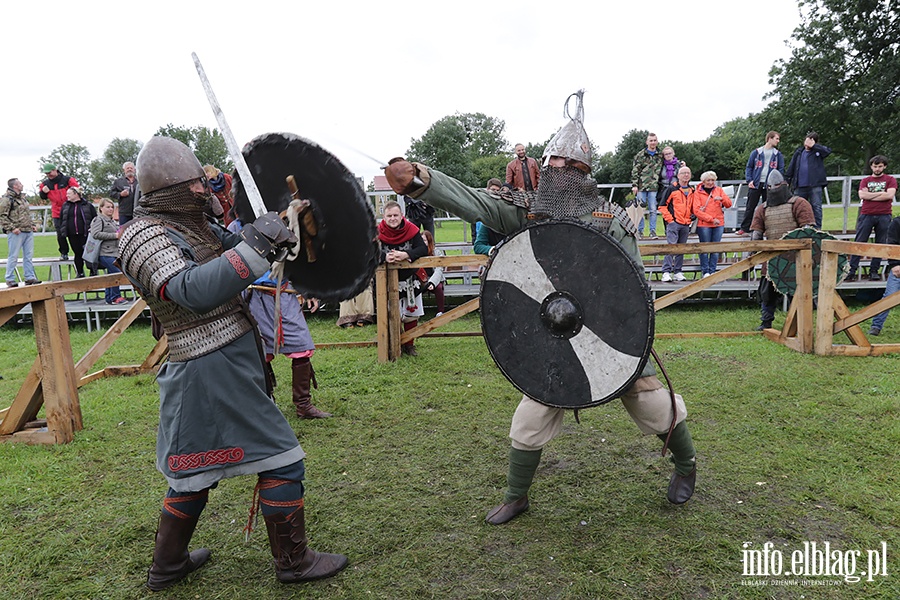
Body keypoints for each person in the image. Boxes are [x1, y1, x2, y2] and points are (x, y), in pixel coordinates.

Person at [384, 91, 697, 525]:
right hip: (553, 334)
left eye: (563, 165)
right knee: (531, 416)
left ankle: (686, 466)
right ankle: (517, 495)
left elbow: (633, 292)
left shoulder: (612, 223)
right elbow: (477, 202)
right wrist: (422, 178)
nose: (554, 169)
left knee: (653, 407)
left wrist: (626, 344)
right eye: (551, 162)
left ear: (582, 172)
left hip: (608, 337)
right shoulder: (532, 212)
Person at [118, 136, 346, 590]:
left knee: (191, 472)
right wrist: (254, 247)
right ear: (168, 190)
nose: (205, 190)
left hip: (223, 360)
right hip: (206, 364)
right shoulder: (143, 235)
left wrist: (286, 226)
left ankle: (167, 567)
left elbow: (247, 247)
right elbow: (192, 290)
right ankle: (293, 563)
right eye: (196, 184)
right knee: (281, 459)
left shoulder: (193, 226)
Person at [749, 170, 816, 330]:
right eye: (771, 187)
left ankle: (800, 324)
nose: (774, 189)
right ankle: (766, 322)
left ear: (784, 186)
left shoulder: (799, 203)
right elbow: (757, 233)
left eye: (777, 186)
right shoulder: (762, 209)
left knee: (798, 292)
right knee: (767, 293)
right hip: (772, 257)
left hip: (796, 257)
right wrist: (753, 252)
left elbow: (808, 230)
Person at [378, 200, 428, 356]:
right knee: (391, 314)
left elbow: (423, 248)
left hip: (409, 280)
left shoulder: (411, 230)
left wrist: (407, 254)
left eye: (395, 215)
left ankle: (409, 345)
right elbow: (368, 252)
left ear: (402, 216)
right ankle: (393, 344)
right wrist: (384, 257)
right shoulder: (376, 232)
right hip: (385, 282)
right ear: (384, 217)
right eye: (389, 216)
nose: (393, 218)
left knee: (411, 313)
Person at [847, 155, 897, 281]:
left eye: (880, 166)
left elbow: (889, 195)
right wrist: (881, 193)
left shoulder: (890, 179)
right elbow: (862, 195)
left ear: (884, 166)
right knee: (859, 242)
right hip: (866, 214)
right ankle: (851, 270)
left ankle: (874, 271)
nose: (877, 169)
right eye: (875, 166)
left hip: (884, 214)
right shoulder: (865, 180)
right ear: (871, 167)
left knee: (880, 244)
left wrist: (870, 195)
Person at [739, 131, 783, 236]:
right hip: (756, 183)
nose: (778, 141)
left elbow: (780, 169)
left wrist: (777, 182)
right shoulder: (756, 152)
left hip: (770, 185)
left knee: (769, 207)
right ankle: (745, 228)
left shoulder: (778, 155)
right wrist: (749, 180)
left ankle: (766, 229)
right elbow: (749, 167)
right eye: (776, 138)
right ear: (770, 138)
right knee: (750, 206)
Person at [785, 131, 831, 229]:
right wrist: (787, 181)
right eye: (808, 139)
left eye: (812, 140)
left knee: (816, 207)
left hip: (815, 185)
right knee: (797, 207)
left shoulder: (818, 152)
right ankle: (798, 228)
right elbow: (791, 167)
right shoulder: (799, 152)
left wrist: (815, 146)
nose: (809, 142)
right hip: (799, 186)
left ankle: (817, 229)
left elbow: (827, 152)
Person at [692, 171, 732, 278]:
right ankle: (705, 271)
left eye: (712, 180)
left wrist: (722, 199)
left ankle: (712, 270)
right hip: (704, 224)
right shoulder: (697, 193)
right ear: (703, 181)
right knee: (704, 248)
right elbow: (696, 210)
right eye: (708, 180)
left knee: (715, 248)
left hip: (719, 224)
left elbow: (729, 204)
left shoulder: (719, 190)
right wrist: (711, 219)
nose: (710, 182)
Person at [1, 178, 40, 286]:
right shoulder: (7, 199)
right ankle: (9, 278)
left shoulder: (23, 198)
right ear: (15, 186)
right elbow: (2, 216)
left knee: (28, 255)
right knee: (13, 256)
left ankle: (29, 276)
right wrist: (12, 228)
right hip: (16, 232)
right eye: (20, 183)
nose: (22, 185)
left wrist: (32, 225)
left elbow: (26, 214)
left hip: (27, 230)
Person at [90, 199, 128, 304]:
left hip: (114, 253)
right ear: (101, 208)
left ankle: (109, 298)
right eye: (107, 207)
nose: (110, 209)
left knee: (111, 274)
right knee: (116, 273)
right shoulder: (98, 220)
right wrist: (114, 236)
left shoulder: (112, 221)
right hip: (104, 253)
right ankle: (116, 297)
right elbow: (95, 234)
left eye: (112, 207)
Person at [659, 166, 694, 282]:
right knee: (671, 247)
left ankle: (678, 271)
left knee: (681, 248)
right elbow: (662, 206)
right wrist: (670, 220)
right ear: (678, 175)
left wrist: (692, 217)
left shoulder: (692, 190)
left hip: (686, 224)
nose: (686, 175)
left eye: (688, 173)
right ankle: (666, 272)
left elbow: (694, 207)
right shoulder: (671, 189)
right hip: (674, 223)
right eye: (683, 173)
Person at [868, 212, 900, 336]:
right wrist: (895, 264)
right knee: (889, 297)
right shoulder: (897, 223)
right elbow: (891, 244)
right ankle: (876, 325)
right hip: (898, 267)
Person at [39, 163, 79, 260]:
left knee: (73, 233)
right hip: (57, 212)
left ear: (55, 170)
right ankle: (64, 253)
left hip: (71, 210)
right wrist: (43, 192)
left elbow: (78, 190)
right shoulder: (45, 184)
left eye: (50, 172)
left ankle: (78, 253)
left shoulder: (68, 180)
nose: (48, 175)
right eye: (46, 174)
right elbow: (42, 197)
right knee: (60, 234)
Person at [59, 187, 98, 278]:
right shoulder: (65, 206)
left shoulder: (87, 205)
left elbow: (95, 218)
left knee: (89, 252)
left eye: (69, 193)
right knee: (77, 253)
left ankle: (93, 271)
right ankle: (80, 272)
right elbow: (62, 219)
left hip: (86, 233)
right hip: (72, 234)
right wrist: (63, 231)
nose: (67, 195)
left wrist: (92, 229)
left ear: (76, 194)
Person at [631, 133, 664, 239]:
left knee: (653, 210)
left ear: (657, 141)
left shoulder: (660, 155)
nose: (653, 142)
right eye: (651, 140)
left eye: (654, 140)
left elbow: (670, 162)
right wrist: (634, 185)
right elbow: (635, 170)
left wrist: (680, 164)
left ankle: (652, 231)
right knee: (640, 209)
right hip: (641, 186)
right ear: (647, 142)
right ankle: (639, 231)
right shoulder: (641, 155)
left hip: (654, 187)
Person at [473, 178, 506, 256]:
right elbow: (477, 244)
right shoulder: (480, 207)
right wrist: (491, 249)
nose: (495, 192)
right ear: (487, 189)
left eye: (498, 190)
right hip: (485, 235)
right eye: (493, 189)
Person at [421, 230, 446, 316]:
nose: (422, 242)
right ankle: (415, 311)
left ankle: (440, 311)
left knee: (438, 288)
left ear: (429, 241)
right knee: (416, 289)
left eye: (424, 240)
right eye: (421, 240)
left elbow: (439, 269)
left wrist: (432, 282)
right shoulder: (418, 252)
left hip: (435, 279)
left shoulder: (436, 252)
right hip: (422, 279)